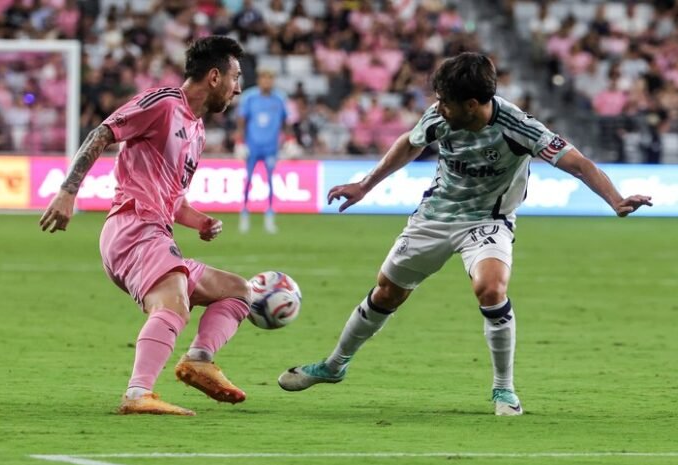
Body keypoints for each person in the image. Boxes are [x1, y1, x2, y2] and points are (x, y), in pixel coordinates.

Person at [278, 52, 652, 416]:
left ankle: (504, 388)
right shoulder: (440, 115)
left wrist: (615, 199)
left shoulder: (519, 127)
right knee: (388, 292)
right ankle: (334, 365)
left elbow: (579, 164)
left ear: (472, 105)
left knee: (491, 288)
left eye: (446, 102)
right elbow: (410, 143)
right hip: (436, 216)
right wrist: (365, 185)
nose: (439, 108)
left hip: (488, 220)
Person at [39, 36, 252, 416]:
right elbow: (101, 133)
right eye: (235, 78)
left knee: (237, 291)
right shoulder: (165, 103)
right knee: (173, 301)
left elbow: (174, 199)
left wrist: (200, 221)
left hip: (154, 231)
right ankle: (138, 393)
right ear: (214, 77)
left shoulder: (197, 131)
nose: (238, 88)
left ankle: (200, 360)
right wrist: (68, 191)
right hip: (133, 227)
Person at [236, 68, 288, 234]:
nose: (267, 82)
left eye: (270, 79)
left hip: (271, 147)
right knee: (248, 180)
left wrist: (288, 141)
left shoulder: (280, 98)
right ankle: (244, 213)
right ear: (259, 80)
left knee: (271, 181)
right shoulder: (249, 97)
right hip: (252, 146)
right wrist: (240, 142)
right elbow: (242, 120)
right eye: (264, 78)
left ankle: (270, 215)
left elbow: (285, 121)